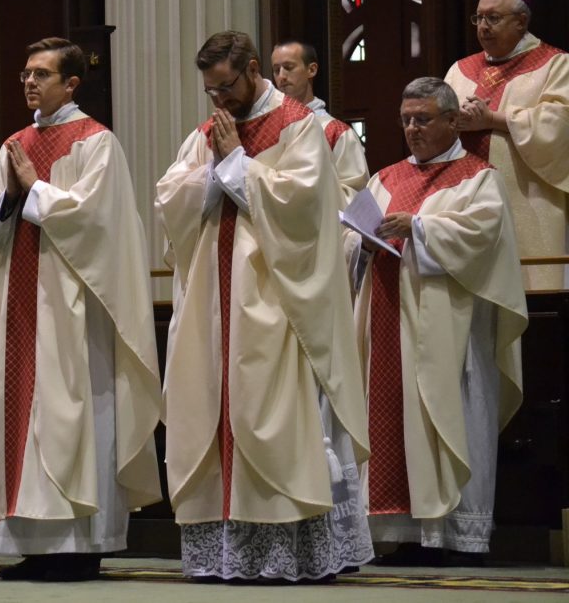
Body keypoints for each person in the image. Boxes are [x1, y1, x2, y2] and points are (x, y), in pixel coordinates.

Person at [155, 30, 373, 583]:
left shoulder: (297, 125)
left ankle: (282, 552)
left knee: (268, 414)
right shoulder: (208, 132)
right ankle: (224, 550)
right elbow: (170, 199)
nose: (218, 101)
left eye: (226, 87)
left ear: (254, 70)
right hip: (212, 301)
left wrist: (235, 164)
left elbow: (305, 208)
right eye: (209, 91)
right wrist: (214, 169)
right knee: (211, 407)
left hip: (275, 302)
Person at [0, 37, 162, 582]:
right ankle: (34, 542)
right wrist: (9, 199)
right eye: (25, 73)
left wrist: (35, 191)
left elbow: (99, 221)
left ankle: (81, 544)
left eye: (42, 74)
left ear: (71, 83)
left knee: (72, 415)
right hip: (21, 302)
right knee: (24, 419)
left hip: (75, 310)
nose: (29, 82)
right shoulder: (15, 143)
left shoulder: (97, 143)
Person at [354, 77, 528, 565]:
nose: (412, 128)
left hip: (452, 329)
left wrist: (421, 228)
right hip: (388, 318)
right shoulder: (383, 178)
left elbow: (482, 237)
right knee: (388, 416)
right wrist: (360, 243)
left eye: (423, 119)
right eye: (406, 119)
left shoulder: (479, 177)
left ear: (453, 121)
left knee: (448, 416)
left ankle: (455, 536)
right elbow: (352, 237)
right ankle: (399, 533)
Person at [444, 0, 569, 290]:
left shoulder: (555, 64)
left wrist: (491, 120)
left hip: (527, 201)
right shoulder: (459, 69)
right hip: (464, 200)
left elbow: (559, 123)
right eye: (479, 18)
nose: (483, 26)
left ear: (521, 21)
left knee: (530, 294)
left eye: (493, 18)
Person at [271, 40, 370, 202]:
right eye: (276, 70)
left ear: (312, 69)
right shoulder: (271, 128)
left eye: (288, 68)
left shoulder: (337, 133)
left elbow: (355, 199)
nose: (281, 76)